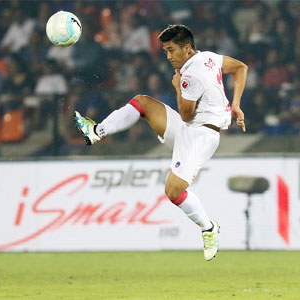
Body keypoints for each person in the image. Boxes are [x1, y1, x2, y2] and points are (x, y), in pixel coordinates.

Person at [75, 24, 247, 261]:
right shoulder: (208, 58)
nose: (168, 56)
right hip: (190, 128)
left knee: (173, 191)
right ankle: (97, 131)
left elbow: (186, 114)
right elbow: (240, 67)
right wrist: (235, 103)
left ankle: (209, 228)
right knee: (142, 102)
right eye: (165, 51)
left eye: (171, 50)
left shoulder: (190, 76)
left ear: (187, 48)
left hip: (200, 136)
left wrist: (178, 87)